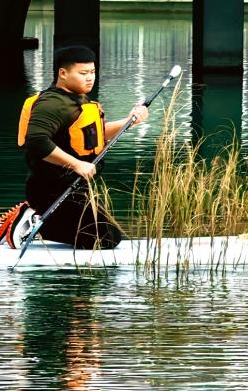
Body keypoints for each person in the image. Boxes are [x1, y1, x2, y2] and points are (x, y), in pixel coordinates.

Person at [14, 45, 148, 249]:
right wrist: (77, 164)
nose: (90, 78)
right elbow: (37, 141)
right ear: (63, 73)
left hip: (74, 188)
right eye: (83, 73)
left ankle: (39, 217)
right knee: (106, 238)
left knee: (108, 233)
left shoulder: (76, 100)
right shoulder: (52, 103)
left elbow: (96, 133)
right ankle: (35, 220)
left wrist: (129, 121)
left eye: (93, 72)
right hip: (50, 190)